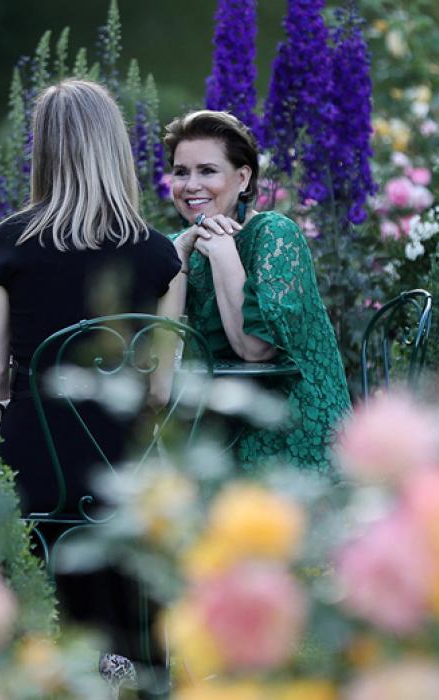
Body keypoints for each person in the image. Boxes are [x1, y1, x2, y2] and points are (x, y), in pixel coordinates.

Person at [0, 79, 181, 682]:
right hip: (121, 471)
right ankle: (135, 668)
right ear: (115, 148)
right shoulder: (158, 254)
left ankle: (35, 667)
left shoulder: (10, 241)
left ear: (45, 151)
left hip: (34, 467)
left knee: (32, 536)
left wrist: (8, 415)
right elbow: (163, 390)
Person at [157, 109, 351, 471]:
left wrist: (224, 251)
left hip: (293, 431)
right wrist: (178, 261)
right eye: (181, 172)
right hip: (211, 436)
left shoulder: (274, 234)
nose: (190, 185)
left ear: (243, 178)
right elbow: (162, 362)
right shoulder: (176, 247)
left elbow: (255, 349)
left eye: (208, 171)